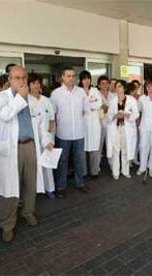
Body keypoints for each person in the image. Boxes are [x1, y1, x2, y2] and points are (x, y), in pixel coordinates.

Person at [0, 66, 53, 242]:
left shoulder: (34, 101)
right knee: (10, 189)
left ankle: (28, 211)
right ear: (9, 80)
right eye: (17, 78)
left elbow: (42, 124)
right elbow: (5, 115)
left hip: (31, 146)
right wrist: (21, 97)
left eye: (23, 78)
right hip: (12, 149)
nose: (21, 81)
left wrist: (47, 141)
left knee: (31, 183)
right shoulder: (0, 97)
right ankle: (7, 224)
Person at [50, 66, 90, 198]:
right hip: (63, 133)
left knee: (79, 160)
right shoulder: (56, 94)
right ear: (62, 77)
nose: (71, 78)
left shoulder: (81, 92)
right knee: (62, 161)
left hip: (79, 132)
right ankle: (61, 186)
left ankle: (80, 183)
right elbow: (52, 115)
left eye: (73, 76)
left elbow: (84, 110)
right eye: (68, 76)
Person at [28, 72, 56, 199]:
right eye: (33, 83)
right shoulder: (26, 101)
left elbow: (51, 119)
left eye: (38, 83)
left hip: (47, 137)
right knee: (33, 165)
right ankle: (34, 190)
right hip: (32, 138)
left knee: (47, 164)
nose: (36, 86)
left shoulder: (46, 100)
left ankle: (49, 189)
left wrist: (50, 136)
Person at [106, 80, 139, 180]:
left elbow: (136, 114)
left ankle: (125, 171)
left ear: (124, 88)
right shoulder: (112, 101)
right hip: (115, 127)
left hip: (127, 127)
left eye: (119, 86)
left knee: (125, 150)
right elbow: (108, 116)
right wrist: (115, 115)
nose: (117, 88)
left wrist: (128, 115)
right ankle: (115, 172)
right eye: (116, 86)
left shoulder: (131, 100)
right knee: (116, 150)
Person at [79, 70, 102, 179]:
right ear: (81, 80)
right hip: (82, 122)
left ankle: (94, 171)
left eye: (88, 78)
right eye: (84, 78)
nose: (86, 81)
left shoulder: (95, 90)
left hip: (94, 121)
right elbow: (79, 106)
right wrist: (91, 105)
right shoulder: (78, 91)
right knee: (82, 149)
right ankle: (83, 172)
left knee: (94, 147)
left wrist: (88, 106)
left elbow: (99, 104)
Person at [97, 75, 116, 160]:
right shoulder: (96, 95)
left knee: (111, 146)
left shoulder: (113, 96)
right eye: (102, 84)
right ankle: (96, 167)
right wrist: (105, 109)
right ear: (99, 85)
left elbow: (114, 110)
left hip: (110, 124)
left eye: (106, 83)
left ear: (109, 85)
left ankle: (112, 165)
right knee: (98, 146)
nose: (104, 86)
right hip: (99, 125)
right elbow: (99, 112)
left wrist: (105, 108)